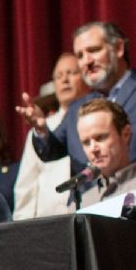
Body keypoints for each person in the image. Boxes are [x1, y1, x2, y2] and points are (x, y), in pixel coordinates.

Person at [16, 21, 136, 190]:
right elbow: (51, 151)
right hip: (88, 209)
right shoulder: (77, 109)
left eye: (94, 50)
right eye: (79, 55)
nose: (86, 61)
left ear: (118, 48)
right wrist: (41, 130)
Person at [14, 53, 91, 219]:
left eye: (72, 73)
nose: (64, 80)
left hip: (88, 212)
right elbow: (26, 184)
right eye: (59, 76)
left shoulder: (97, 121)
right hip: (48, 222)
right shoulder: (42, 128)